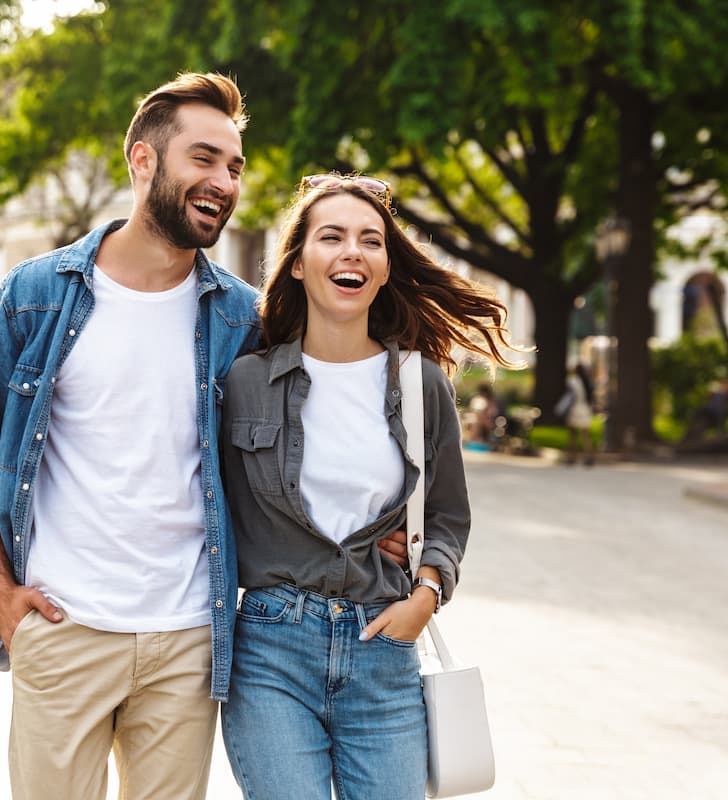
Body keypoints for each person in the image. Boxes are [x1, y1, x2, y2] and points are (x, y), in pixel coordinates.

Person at [0, 73, 407, 800]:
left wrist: (387, 523)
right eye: (204, 158)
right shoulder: (33, 296)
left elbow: (319, 431)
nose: (223, 181)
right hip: (65, 627)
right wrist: (3, 598)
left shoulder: (241, 318)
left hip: (190, 640)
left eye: (234, 166)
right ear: (142, 161)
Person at [218, 174, 520, 799]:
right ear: (298, 262)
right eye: (331, 237)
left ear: (384, 268)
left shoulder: (421, 384)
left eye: (370, 241)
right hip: (274, 650)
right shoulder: (245, 381)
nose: (352, 251)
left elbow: (447, 517)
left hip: (383, 648)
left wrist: (427, 592)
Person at [560, 362, 596, 465]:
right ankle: (588, 456)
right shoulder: (587, 381)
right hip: (585, 409)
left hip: (575, 409)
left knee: (572, 435)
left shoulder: (573, 381)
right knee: (585, 435)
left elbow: (569, 397)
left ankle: (571, 457)